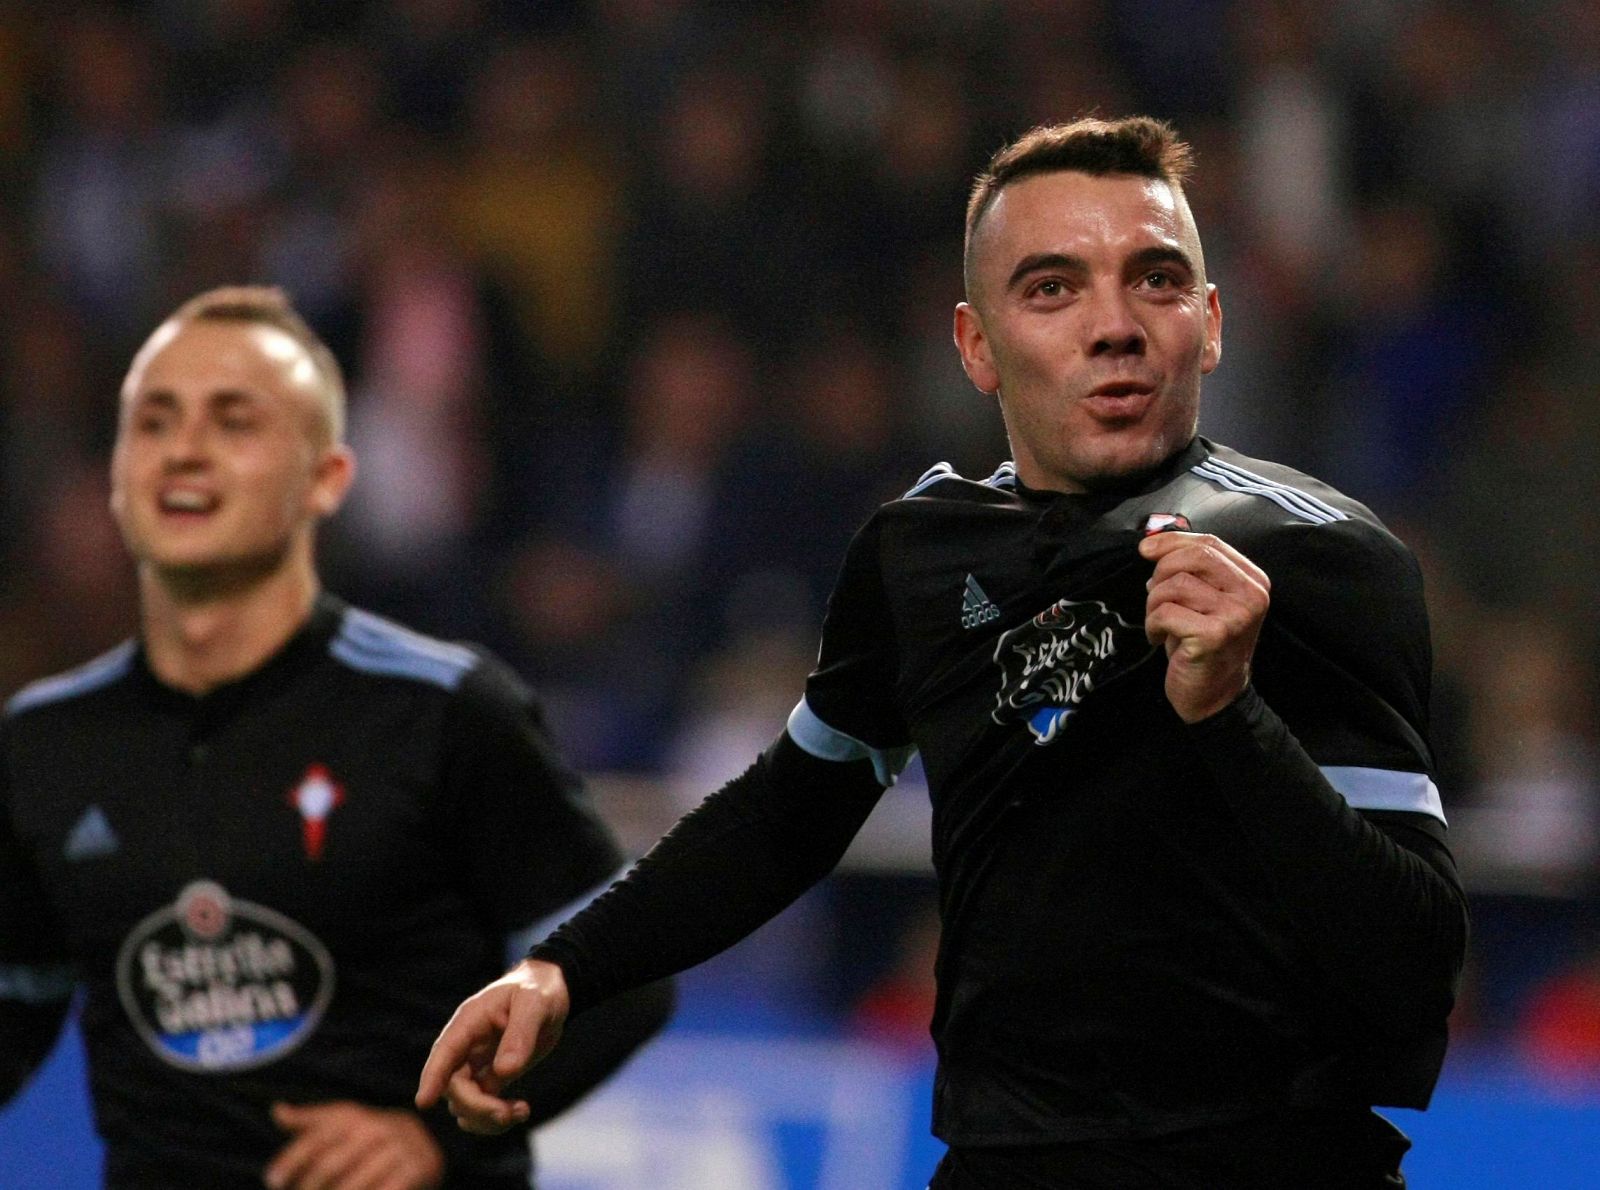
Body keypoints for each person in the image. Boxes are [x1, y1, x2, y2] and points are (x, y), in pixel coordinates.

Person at [417, 117, 1469, 1188]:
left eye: (1154, 280)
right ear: (974, 344)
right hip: (999, 1161)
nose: (1114, 325)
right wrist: (563, 970)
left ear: (1208, 323)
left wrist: (1228, 716)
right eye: (1053, 288)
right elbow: (792, 810)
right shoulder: (921, 550)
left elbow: (1412, 960)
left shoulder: (1321, 556)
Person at [0, 287, 673, 1189]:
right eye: (154, 422)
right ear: (118, 475)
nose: (185, 450)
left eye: (233, 421)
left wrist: (434, 1138)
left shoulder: (442, 709)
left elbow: (625, 975)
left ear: (327, 479)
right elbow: (16, 1000)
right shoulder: (45, 743)